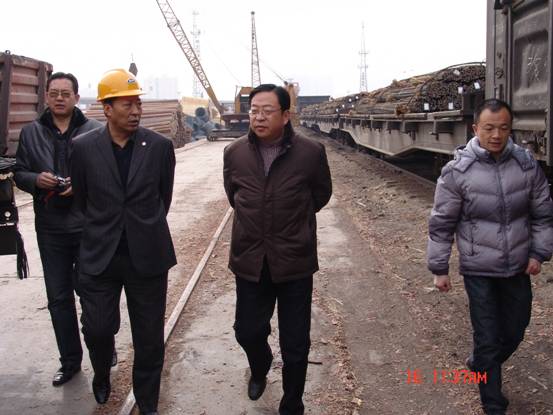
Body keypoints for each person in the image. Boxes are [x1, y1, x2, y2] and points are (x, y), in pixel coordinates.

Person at [427, 98, 553, 415]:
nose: (496, 135)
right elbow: (441, 224)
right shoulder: (458, 171)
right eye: (489, 128)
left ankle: (481, 363)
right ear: (475, 129)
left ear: (510, 129)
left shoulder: (526, 165)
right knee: (486, 335)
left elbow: (542, 215)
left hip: (517, 266)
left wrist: (538, 253)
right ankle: (493, 403)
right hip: (478, 267)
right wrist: (439, 268)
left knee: (515, 329)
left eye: (503, 128)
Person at [71, 69, 176, 415]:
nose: (135, 111)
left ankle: (147, 403)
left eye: (138, 104)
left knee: (149, 337)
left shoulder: (159, 147)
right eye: (127, 105)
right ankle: (102, 371)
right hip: (100, 254)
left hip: (147, 255)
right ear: (107, 108)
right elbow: (82, 200)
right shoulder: (83, 148)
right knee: (98, 328)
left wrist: (141, 226)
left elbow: (163, 198)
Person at [223, 84, 332, 415]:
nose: (258, 117)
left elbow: (321, 195)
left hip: (294, 259)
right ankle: (260, 366)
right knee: (247, 331)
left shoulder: (310, 153)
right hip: (250, 258)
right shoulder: (234, 153)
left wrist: (293, 222)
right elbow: (235, 196)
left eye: (267, 111)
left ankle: (292, 402)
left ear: (286, 116)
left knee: (296, 342)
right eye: (254, 110)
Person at [14, 72, 104, 386]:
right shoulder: (31, 133)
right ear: (47, 97)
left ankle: (101, 351)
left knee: (93, 293)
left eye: (66, 93)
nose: (60, 99)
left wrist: (79, 185)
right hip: (50, 227)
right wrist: (35, 180)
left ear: (77, 97)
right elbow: (19, 172)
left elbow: (106, 174)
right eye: (54, 93)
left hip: (87, 225)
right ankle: (70, 362)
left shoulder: (95, 131)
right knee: (58, 298)